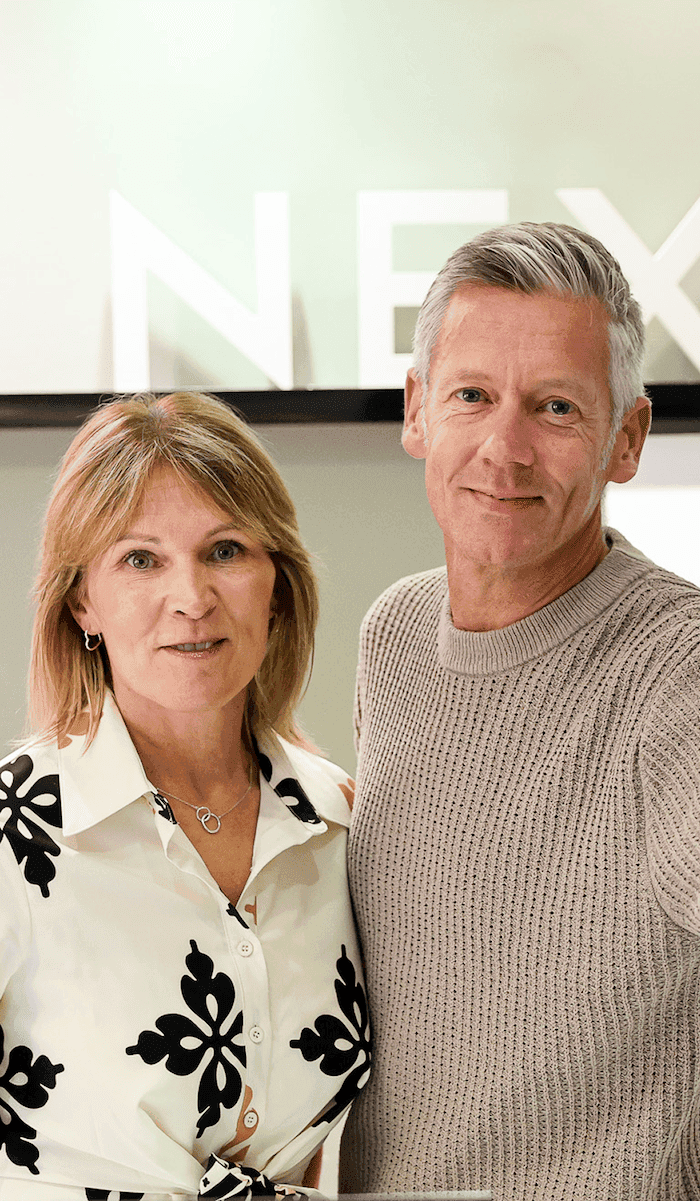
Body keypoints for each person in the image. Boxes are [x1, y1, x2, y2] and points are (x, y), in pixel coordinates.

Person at [339, 223, 700, 1199]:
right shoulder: (395, 636)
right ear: (418, 412)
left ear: (625, 439)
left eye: (554, 407)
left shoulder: (681, 674)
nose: (504, 448)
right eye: (471, 396)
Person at [0, 392, 370, 1201]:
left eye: (226, 550)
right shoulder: (13, 830)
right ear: (80, 601)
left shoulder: (342, 821)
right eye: (141, 559)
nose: (192, 597)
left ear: (277, 588)